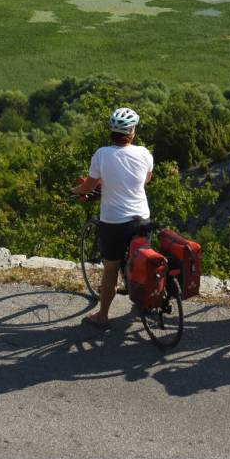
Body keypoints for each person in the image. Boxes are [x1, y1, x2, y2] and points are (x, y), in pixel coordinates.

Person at [71, 107, 154, 330]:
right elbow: (145, 180)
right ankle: (147, 302)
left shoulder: (102, 154)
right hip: (142, 218)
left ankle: (103, 316)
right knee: (143, 260)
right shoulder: (145, 153)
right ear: (132, 131)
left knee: (110, 268)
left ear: (112, 131)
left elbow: (89, 186)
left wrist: (75, 190)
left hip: (114, 221)